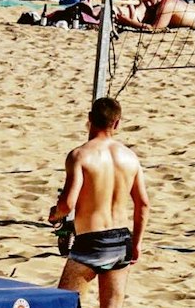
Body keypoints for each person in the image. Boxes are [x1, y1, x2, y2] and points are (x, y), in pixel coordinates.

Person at [52, 97, 148, 307]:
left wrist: (55, 215)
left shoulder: (80, 155)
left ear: (89, 119)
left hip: (91, 241)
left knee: (63, 302)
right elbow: (143, 204)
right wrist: (137, 243)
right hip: (122, 240)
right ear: (117, 123)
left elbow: (68, 204)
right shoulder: (130, 157)